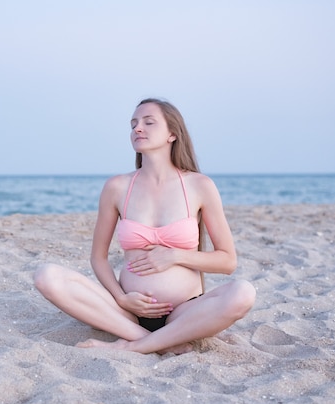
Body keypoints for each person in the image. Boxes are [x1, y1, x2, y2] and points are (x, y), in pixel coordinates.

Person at [34, 98, 256, 354]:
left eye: (148, 122)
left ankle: (131, 348)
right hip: (126, 312)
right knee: (46, 276)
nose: (137, 128)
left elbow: (227, 262)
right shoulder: (117, 187)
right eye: (133, 124)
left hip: (184, 312)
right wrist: (121, 298)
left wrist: (175, 255)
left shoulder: (200, 186)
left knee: (243, 293)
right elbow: (99, 258)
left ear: (173, 134)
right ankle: (155, 343)